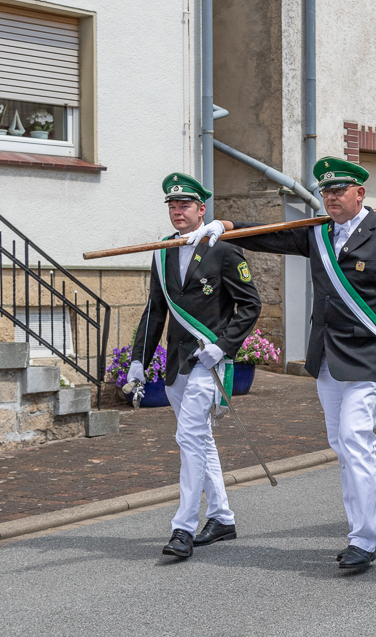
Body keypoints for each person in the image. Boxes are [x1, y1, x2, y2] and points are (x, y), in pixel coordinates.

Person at [187, 156, 376, 571]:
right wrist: (226, 226)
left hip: (367, 357)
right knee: (343, 446)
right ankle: (371, 526)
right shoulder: (319, 234)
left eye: (339, 190)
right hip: (326, 357)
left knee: (355, 440)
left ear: (360, 193)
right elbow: (271, 236)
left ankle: (362, 539)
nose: (331, 197)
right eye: (326, 191)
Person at [129, 173, 262, 558]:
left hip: (208, 362)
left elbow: (250, 305)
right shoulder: (162, 251)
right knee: (200, 439)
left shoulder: (224, 249)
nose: (177, 211)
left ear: (202, 209)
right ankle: (222, 517)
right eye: (172, 206)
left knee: (188, 436)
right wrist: (138, 360)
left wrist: (222, 347)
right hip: (177, 363)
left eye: (184, 205)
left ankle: (183, 528)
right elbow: (155, 311)